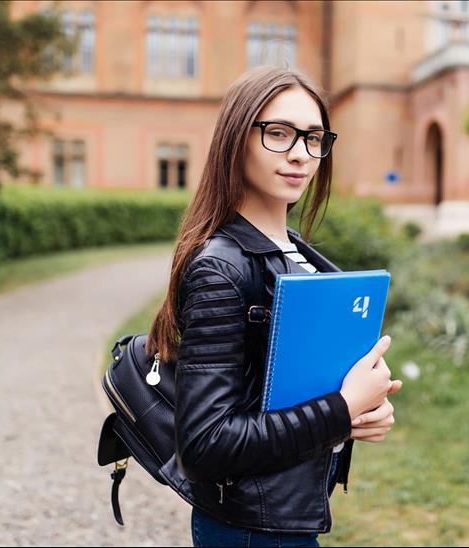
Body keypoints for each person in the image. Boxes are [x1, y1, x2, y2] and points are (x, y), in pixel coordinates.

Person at [146, 65, 403, 547]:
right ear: (236, 139)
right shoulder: (219, 269)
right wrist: (341, 410)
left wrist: (360, 413)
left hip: (286, 515)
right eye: (278, 133)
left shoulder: (299, 255)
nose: (300, 155)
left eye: (313, 138)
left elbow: (278, 394)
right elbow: (204, 446)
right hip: (249, 529)